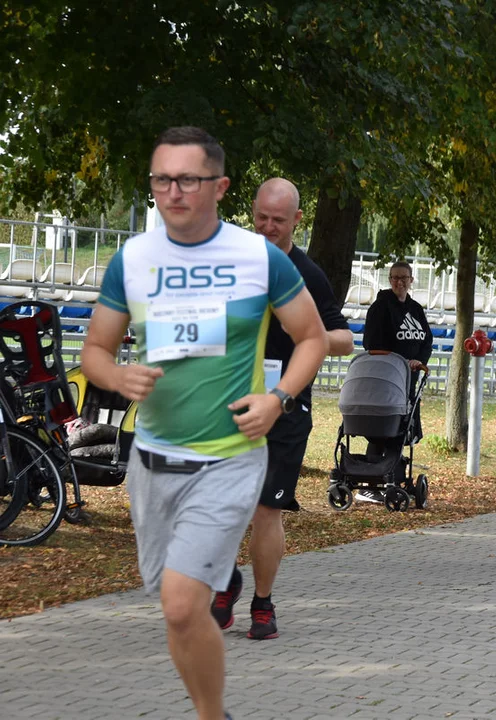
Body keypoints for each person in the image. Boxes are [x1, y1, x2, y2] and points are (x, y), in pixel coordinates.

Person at [81, 127, 329, 720]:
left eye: (187, 179)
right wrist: (116, 377)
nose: (173, 192)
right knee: (180, 610)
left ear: (218, 187)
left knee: (178, 603)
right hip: (152, 461)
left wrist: (279, 399)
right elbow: (94, 351)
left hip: (227, 458)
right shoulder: (134, 260)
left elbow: (313, 337)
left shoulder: (256, 257)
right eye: (162, 179)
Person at [210, 178, 354, 641]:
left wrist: (303, 332)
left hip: (287, 407)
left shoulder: (306, 274)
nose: (268, 227)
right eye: (261, 218)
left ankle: (263, 603)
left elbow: (345, 340)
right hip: (233, 403)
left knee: (265, 510)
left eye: (279, 220)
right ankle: (227, 581)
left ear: (297, 220)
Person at [360, 261, 433, 493]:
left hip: (408, 382)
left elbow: (426, 341)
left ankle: (391, 474)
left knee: (402, 429)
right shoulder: (381, 308)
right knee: (382, 428)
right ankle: (370, 484)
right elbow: (370, 343)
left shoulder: (416, 309)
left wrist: (419, 361)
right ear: (389, 280)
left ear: (411, 280)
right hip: (387, 379)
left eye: (404, 278)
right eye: (395, 278)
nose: (399, 282)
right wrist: (398, 360)